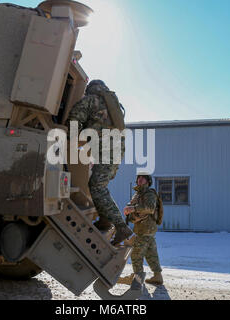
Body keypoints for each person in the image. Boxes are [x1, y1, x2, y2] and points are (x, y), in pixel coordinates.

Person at [66, 80, 133, 246]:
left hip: (106, 148)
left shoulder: (90, 100)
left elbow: (74, 120)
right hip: (118, 148)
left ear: (90, 89)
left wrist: (69, 140)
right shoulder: (113, 104)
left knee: (96, 186)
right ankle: (104, 221)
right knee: (99, 185)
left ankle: (121, 227)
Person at [118, 172, 163, 285]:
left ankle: (137, 280)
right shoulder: (139, 194)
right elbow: (134, 206)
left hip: (145, 229)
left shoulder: (149, 193)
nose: (140, 179)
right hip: (145, 229)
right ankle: (158, 277)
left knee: (136, 255)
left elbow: (150, 208)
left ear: (148, 181)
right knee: (151, 253)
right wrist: (129, 209)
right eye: (139, 177)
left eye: (143, 178)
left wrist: (132, 208)